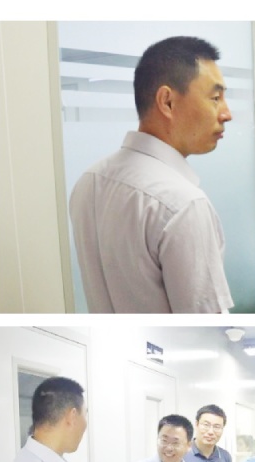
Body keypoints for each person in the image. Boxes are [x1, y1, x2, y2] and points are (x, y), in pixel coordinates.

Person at [69, 36, 233, 313]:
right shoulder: (183, 205)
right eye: (215, 98)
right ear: (167, 102)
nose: (226, 113)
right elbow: (205, 323)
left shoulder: (89, 180)